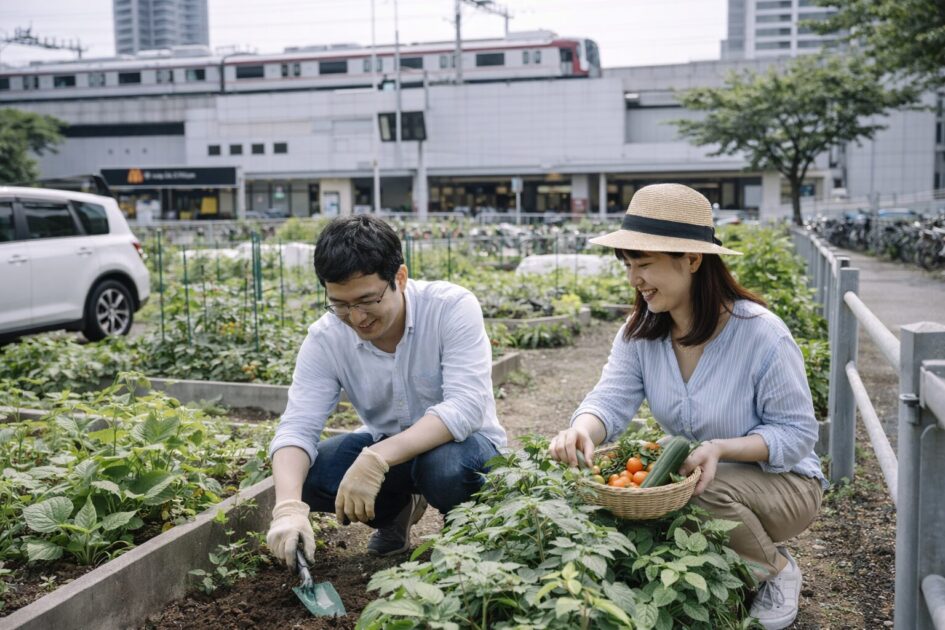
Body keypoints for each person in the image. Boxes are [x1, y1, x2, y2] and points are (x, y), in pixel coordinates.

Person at [549, 183, 825, 630]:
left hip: (786, 483)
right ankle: (734, 560)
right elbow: (609, 399)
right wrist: (582, 428)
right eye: (628, 264)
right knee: (676, 480)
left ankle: (777, 570)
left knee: (699, 486)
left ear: (693, 260)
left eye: (644, 264)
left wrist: (720, 448)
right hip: (705, 473)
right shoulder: (641, 331)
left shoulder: (761, 334)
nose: (634, 279)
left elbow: (797, 435)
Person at [266, 215, 507, 568]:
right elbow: (297, 426)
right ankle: (395, 513)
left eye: (367, 300)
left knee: (446, 468)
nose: (357, 317)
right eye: (341, 304)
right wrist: (288, 509)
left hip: (462, 447)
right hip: (387, 445)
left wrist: (376, 458)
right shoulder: (326, 337)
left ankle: (466, 532)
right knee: (309, 476)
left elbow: (466, 406)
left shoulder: (450, 307)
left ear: (400, 278)